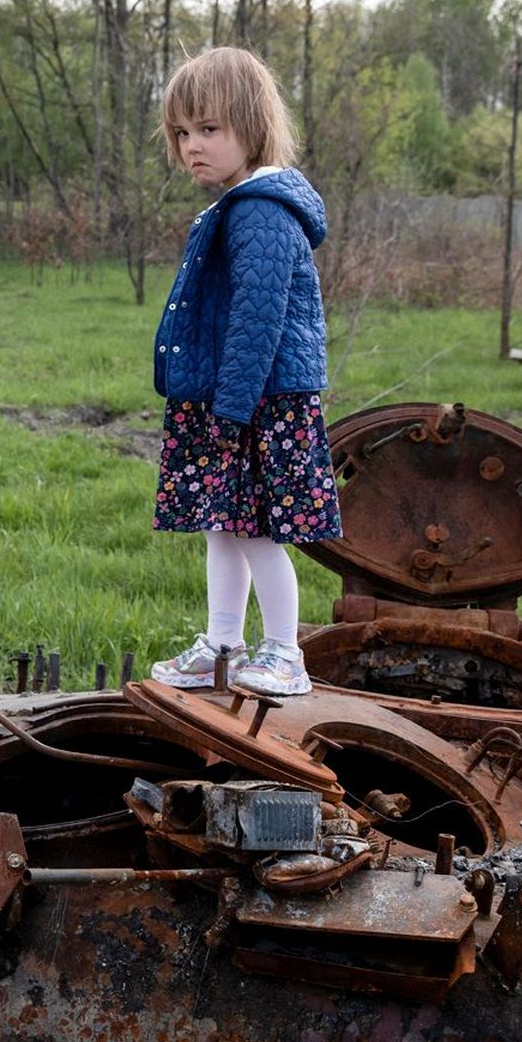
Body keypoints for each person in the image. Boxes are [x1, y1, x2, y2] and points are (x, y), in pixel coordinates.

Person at [148, 46, 341, 696]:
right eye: (182, 132)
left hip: (256, 400)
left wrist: (231, 410)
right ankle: (223, 643)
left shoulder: (261, 211)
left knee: (255, 530)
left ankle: (286, 652)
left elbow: (258, 319)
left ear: (251, 127)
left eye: (208, 129)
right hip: (231, 396)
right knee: (222, 523)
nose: (192, 146)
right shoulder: (239, 205)